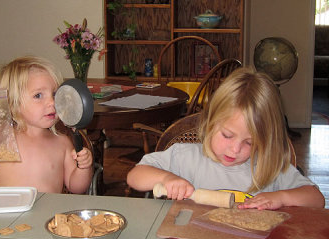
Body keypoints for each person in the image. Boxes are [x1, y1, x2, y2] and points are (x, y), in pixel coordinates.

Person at [127, 67, 324, 210]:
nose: (235, 149)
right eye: (227, 135)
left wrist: (281, 197)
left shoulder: (268, 167)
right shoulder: (185, 156)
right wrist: (167, 178)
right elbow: (135, 176)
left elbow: (316, 199)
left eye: (250, 142)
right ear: (210, 122)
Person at [0, 56, 93, 194]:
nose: (52, 102)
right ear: (13, 103)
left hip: (46, 214)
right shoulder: (6, 137)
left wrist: (83, 168)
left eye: (54, 94)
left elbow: (76, 187)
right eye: (38, 95)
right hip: (10, 213)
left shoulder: (62, 143)